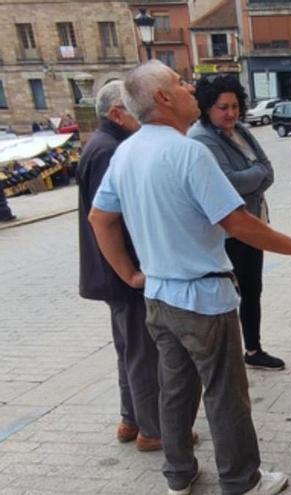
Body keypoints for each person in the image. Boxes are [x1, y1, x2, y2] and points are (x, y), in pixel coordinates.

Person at [89, 60, 291, 495]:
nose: (190, 88)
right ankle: (242, 480)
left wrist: (131, 274)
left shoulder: (128, 149)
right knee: (225, 394)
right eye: (180, 83)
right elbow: (237, 222)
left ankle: (179, 475)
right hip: (203, 298)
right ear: (163, 99)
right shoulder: (189, 152)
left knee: (175, 390)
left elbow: (100, 218)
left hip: (160, 296)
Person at [77, 81, 165, 452]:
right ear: (116, 114)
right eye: (134, 108)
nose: (143, 116)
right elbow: (109, 219)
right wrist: (132, 271)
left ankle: (131, 420)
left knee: (129, 349)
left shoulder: (104, 145)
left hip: (115, 273)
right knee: (142, 352)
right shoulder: (111, 150)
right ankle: (151, 429)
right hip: (123, 273)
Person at [188, 75, 285, 371]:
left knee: (253, 289)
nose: (230, 113)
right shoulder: (202, 138)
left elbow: (268, 170)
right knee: (232, 294)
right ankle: (222, 356)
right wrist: (255, 177)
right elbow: (227, 182)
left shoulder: (240, 129)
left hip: (252, 222)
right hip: (228, 233)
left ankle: (253, 348)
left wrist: (252, 179)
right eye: (222, 108)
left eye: (234, 106)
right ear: (206, 108)